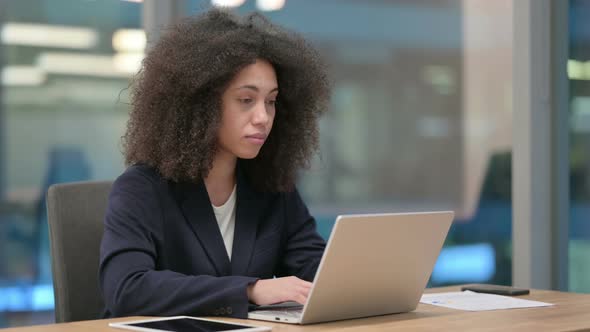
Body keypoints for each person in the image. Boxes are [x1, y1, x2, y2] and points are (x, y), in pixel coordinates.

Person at [99, 8, 330, 319]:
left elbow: (314, 268)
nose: (263, 117)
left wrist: (360, 274)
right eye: (246, 100)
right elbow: (127, 289)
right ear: (201, 105)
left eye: (271, 101)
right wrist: (249, 290)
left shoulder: (273, 187)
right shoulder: (142, 188)